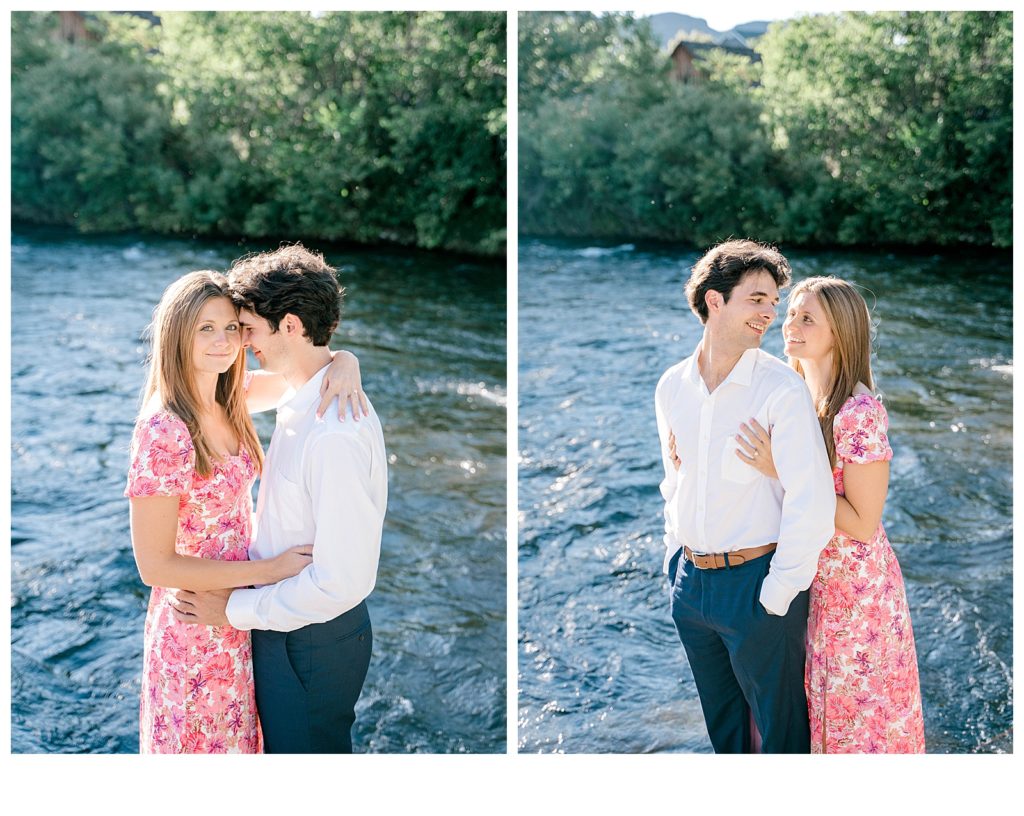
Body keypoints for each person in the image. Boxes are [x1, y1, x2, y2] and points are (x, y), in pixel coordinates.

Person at [125, 269, 365, 754]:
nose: (223, 341)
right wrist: (272, 569)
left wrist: (347, 360)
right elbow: (153, 566)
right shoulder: (165, 429)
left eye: (232, 327)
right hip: (196, 624)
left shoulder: (231, 396)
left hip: (238, 616)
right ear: (177, 335)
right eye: (205, 328)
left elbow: (304, 370)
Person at [655, 239, 836, 753]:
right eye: (757, 299)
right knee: (726, 734)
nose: (770, 313)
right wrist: (674, 563)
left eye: (774, 302)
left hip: (758, 585)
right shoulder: (672, 387)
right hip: (691, 586)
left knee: (782, 737)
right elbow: (674, 481)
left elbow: (813, 500)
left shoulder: (781, 389)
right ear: (715, 301)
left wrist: (778, 593)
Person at [732, 276, 926, 753]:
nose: (789, 325)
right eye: (791, 313)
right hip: (810, 580)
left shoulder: (858, 413)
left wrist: (786, 469)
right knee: (819, 721)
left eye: (806, 318)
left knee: (858, 726)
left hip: (855, 597)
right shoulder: (795, 394)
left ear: (838, 331)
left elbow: (862, 522)